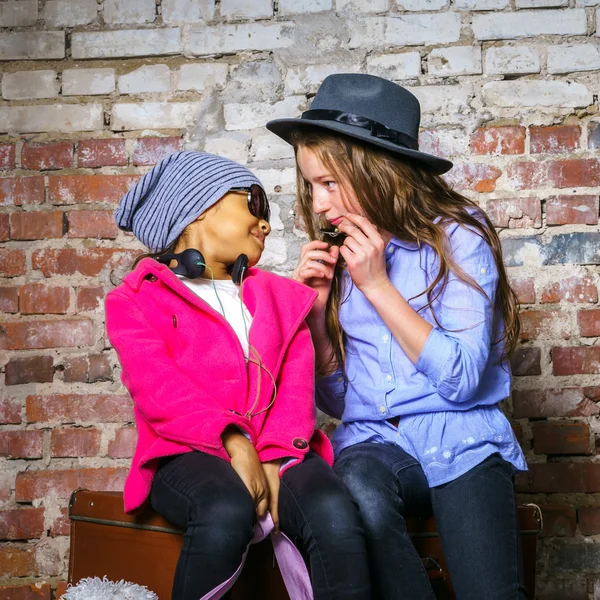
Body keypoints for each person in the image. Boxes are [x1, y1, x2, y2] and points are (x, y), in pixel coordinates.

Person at [266, 74, 529, 600]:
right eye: (311, 185)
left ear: (375, 171)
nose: (318, 205)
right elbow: (342, 401)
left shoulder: (459, 237)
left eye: (329, 183)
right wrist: (316, 318)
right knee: (357, 480)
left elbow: (461, 378)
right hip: (376, 445)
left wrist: (378, 286)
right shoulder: (338, 251)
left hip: (462, 440)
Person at [105, 151, 371, 600]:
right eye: (253, 205)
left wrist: (270, 456)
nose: (265, 224)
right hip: (184, 452)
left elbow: (294, 386)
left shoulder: (281, 297)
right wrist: (233, 442)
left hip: (280, 451)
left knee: (332, 508)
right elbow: (159, 389)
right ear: (199, 206)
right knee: (226, 507)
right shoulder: (134, 301)